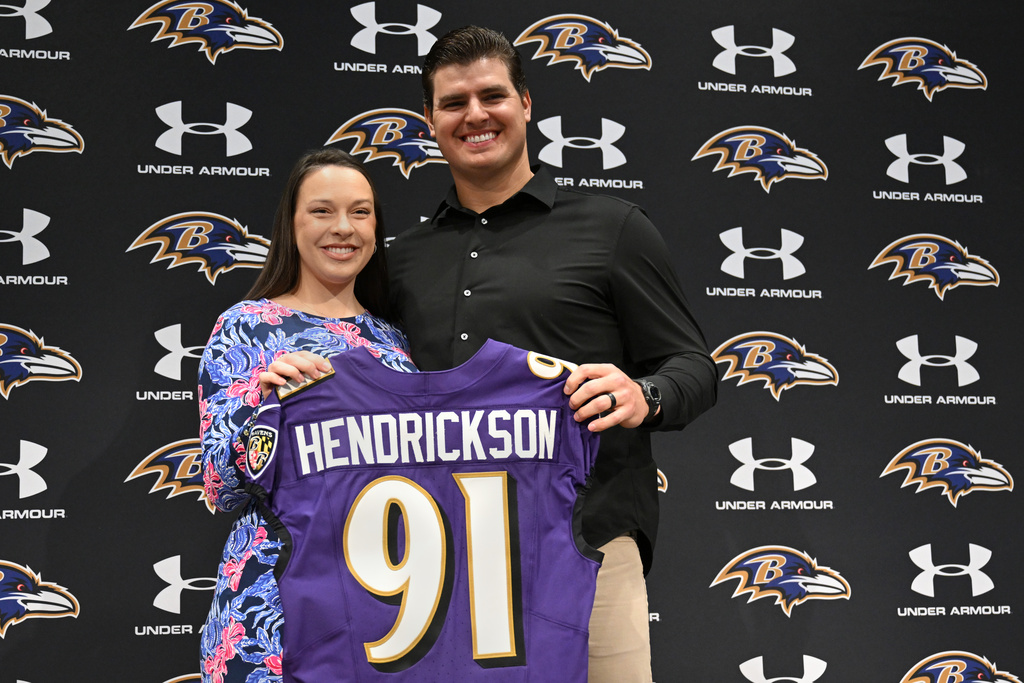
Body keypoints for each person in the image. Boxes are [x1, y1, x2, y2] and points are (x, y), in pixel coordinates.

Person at [387, 26, 718, 682]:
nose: (475, 114)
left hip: (586, 549)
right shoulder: (399, 260)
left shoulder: (612, 227)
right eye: (453, 103)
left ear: (527, 103)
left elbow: (694, 368)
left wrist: (641, 394)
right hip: (440, 567)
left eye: (492, 95)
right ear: (429, 121)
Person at [198, 147, 415, 682]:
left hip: (389, 604)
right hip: (272, 611)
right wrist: (261, 411)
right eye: (322, 211)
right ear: (290, 225)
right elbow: (218, 486)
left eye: (360, 212)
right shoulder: (247, 327)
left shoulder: (395, 340)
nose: (343, 228)